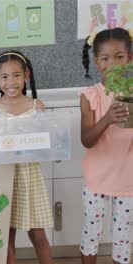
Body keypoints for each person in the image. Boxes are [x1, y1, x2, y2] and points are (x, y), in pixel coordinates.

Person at [0, 51, 53, 264]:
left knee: (37, 234)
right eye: (5, 77)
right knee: (6, 235)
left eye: (16, 75)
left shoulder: (37, 106)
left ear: (26, 75)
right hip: (2, 176)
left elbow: (46, 142)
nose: (11, 82)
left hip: (30, 175)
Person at [79, 27, 133, 264]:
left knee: (123, 242)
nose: (113, 64)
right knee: (91, 237)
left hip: (127, 181)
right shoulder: (90, 96)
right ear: (96, 61)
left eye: (119, 57)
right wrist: (108, 118)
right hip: (96, 180)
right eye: (105, 58)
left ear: (129, 58)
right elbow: (87, 140)